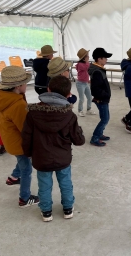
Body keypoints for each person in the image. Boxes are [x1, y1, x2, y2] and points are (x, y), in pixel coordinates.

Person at [21, 76, 85, 222]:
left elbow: (26, 137)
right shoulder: (69, 115)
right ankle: (68, 208)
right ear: (69, 94)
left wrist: (29, 153)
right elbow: (79, 140)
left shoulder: (32, 113)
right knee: (66, 183)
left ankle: (46, 212)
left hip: (41, 158)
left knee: (44, 186)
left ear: (48, 89)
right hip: (63, 158)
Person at [0, 66, 39, 207]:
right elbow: (25, 129)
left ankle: (13, 177)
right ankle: (24, 198)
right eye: (25, 82)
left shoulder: (1, 95)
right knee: (27, 169)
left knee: (21, 162)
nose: (27, 84)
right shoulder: (17, 104)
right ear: (18, 86)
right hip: (19, 144)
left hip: (9, 139)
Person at [89, 48, 112, 147]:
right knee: (104, 119)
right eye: (105, 58)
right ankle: (95, 138)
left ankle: (100, 133)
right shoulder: (97, 72)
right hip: (101, 99)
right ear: (99, 59)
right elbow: (95, 89)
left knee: (106, 118)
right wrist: (106, 95)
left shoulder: (99, 70)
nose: (106, 60)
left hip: (103, 99)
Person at [75, 48, 96, 116]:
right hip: (80, 84)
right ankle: (80, 111)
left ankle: (89, 109)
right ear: (84, 58)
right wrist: (89, 63)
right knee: (82, 98)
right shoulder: (80, 64)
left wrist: (87, 80)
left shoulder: (86, 63)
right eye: (87, 56)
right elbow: (87, 68)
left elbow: (86, 72)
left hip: (85, 83)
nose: (89, 57)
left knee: (89, 96)